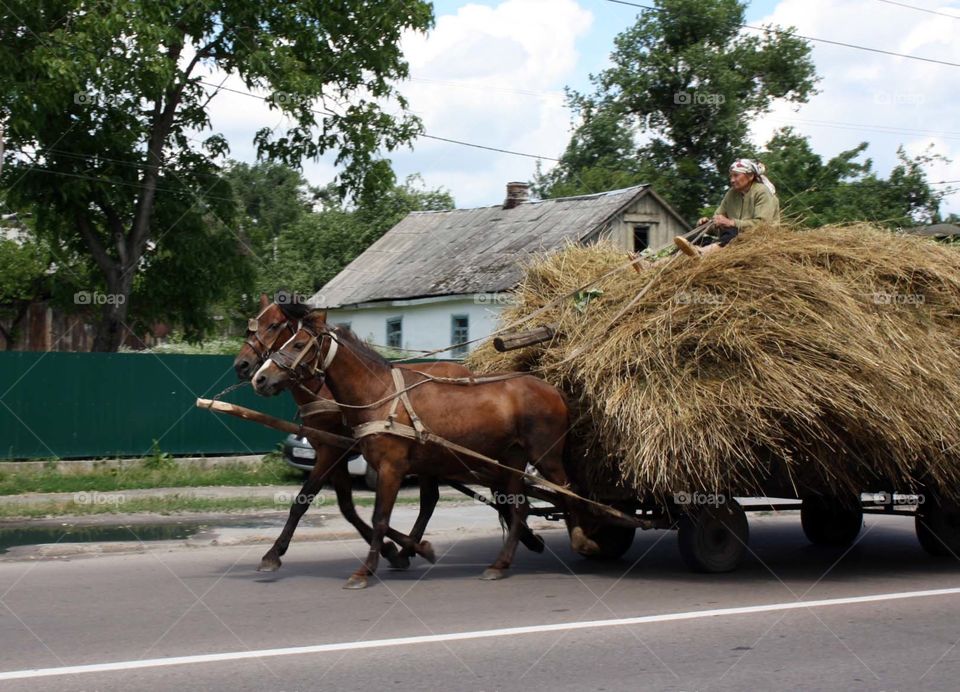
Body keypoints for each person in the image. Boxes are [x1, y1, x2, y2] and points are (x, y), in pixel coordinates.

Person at [674, 159, 780, 257]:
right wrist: (708, 224)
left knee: (733, 233)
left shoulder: (762, 192)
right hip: (729, 240)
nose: (732, 180)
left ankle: (702, 253)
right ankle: (662, 262)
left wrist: (732, 223)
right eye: (731, 176)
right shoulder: (731, 193)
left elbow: (763, 225)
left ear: (750, 176)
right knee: (691, 238)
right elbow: (719, 219)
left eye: (736, 175)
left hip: (755, 241)